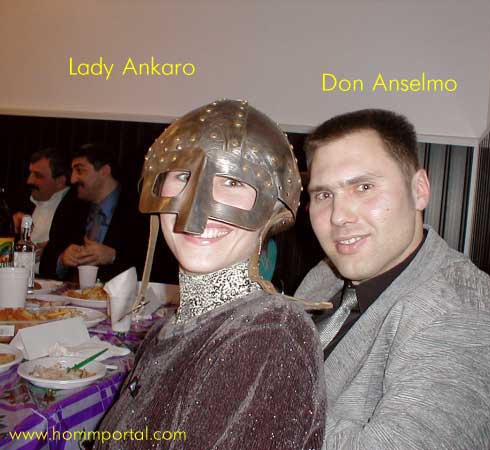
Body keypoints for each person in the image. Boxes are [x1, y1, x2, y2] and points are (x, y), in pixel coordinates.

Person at [94, 99, 325, 450]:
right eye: (182, 175)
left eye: (232, 181)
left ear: (273, 208)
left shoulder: (267, 336)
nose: (196, 209)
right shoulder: (174, 325)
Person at [295, 109, 490, 450]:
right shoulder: (325, 274)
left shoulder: (461, 312)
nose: (338, 216)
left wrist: (258, 403)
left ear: (419, 190)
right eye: (324, 195)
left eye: (364, 187)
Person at [57, 143, 147, 281]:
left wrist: (113, 256)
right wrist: (63, 259)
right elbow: (50, 254)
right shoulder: (72, 204)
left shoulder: (139, 208)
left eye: (80, 170)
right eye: (73, 171)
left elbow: (155, 264)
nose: (72, 179)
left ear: (104, 171)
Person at [12, 148, 87, 277]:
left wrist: (49, 251)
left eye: (38, 176)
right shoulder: (24, 201)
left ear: (60, 181)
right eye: (30, 173)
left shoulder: (77, 209)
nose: (29, 181)